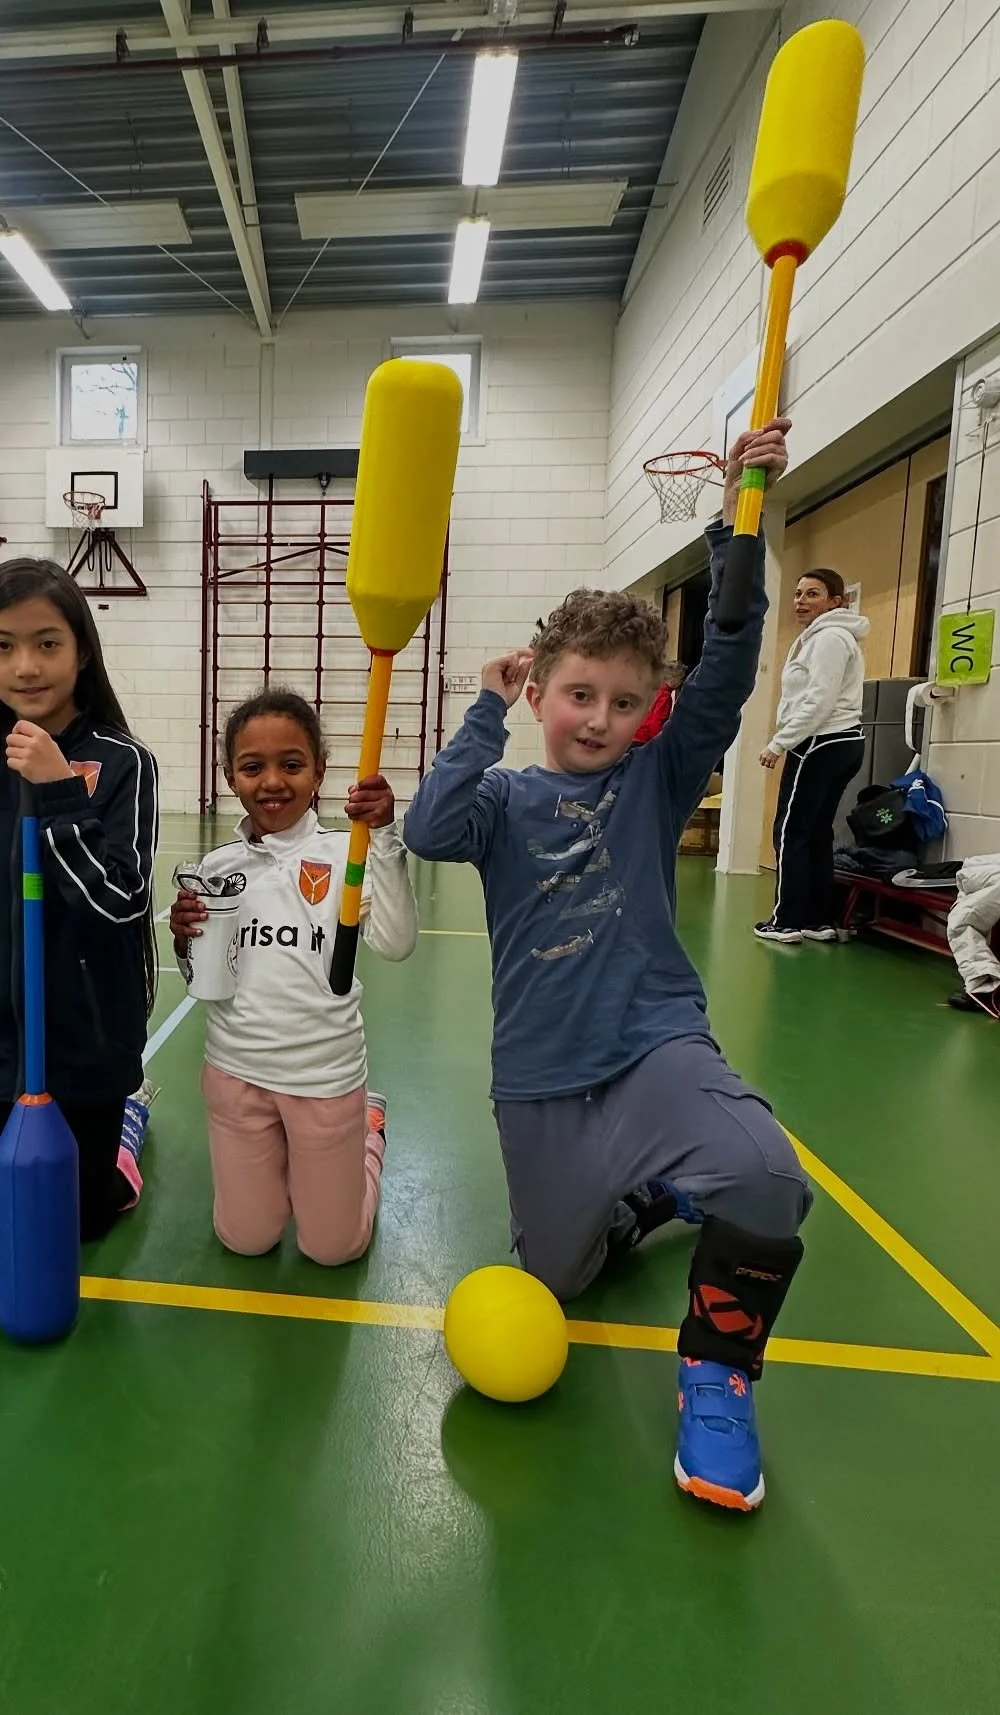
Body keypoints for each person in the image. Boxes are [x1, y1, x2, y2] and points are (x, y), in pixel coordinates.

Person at [403, 420, 810, 1513]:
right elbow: (428, 828)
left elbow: (728, 667)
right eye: (580, 693)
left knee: (769, 1178)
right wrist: (481, 710)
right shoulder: (502, 799)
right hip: (540, 1075)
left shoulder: (655, 778)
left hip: (650, 1045)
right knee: (557, 1277)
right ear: (540, 690)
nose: (601, 718)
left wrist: (740, 521)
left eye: (626, 702)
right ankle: (651, 1195)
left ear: (646, 713)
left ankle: (717, 1375)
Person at [0, 558, 159, 1245]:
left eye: (47, 643)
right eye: (2, 645)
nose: (26, 666)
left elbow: (121, 901)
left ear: (81, 651)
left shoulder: (122, 761)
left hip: (87, 1043)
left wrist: (61, 790)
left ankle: (128, 1125)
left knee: (80, 1226)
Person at [169, 688, 417, 1266]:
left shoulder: (347, 853)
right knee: (246, 1239)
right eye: (252, 767)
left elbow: (397, 944)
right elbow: (204, 976)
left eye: (292, 764)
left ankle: (368, 1132)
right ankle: (285, 1163)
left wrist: (384, 837)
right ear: (230, 777)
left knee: (333, 1248)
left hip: (324, 1076)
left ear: (319, 773)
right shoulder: (217, 868)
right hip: (236, 1072)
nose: (272, 782)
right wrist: (185, 942)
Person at [754, 567, 869, 944]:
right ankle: (817, 920)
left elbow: (819, 700)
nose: (801, 601)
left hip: (821, 743)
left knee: (790, 831)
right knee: (816, 831)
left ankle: (785, 921)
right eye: (798, 593)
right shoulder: (824, 636)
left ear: (836, 601)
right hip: (839, 742)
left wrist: (779, 742)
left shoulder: (829, 638)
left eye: (813, 594)